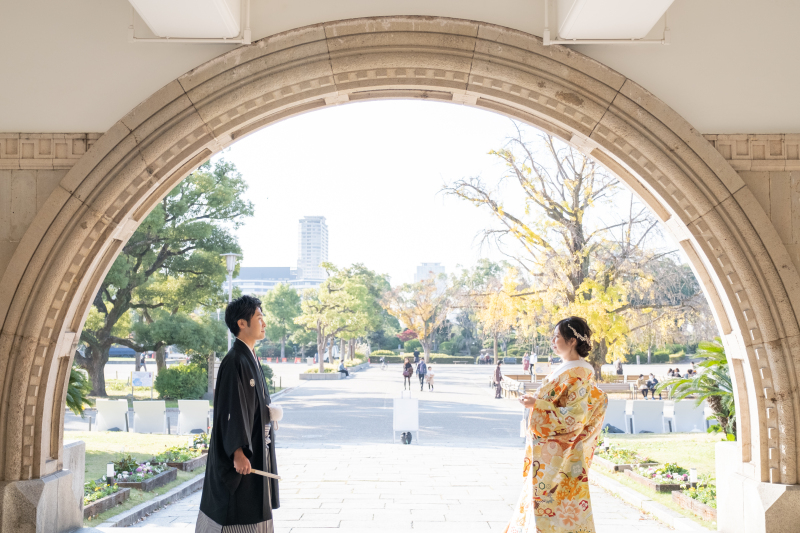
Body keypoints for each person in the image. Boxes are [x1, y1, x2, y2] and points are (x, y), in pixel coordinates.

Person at [509, 316, 607, 533]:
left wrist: (538, 403)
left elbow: (574, 416)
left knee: (556, 505)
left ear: (572, 341)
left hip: (561, 453)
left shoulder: (579, 372)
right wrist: (536, 403)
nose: (553, 341)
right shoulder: (568, 368)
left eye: (557, 337)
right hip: (551, 450)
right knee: (545, 504)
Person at [196, 295, 281, 533]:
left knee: (254, 504)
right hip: (243, 453)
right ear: (242, 323)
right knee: (236, 509)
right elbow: (231, 411)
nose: (264, 324)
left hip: (257, 446)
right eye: (259, 318)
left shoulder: (250, 356)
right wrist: (238, 452)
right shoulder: (235, 360)